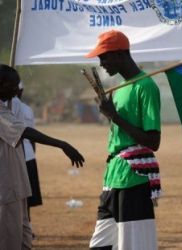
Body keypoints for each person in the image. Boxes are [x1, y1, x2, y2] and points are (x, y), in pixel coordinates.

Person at [85, 30, 161, 250]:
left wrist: (114, 116)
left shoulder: (146, 87)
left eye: (104, 57)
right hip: (113, 177)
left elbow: (153, 141)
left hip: (133, 177)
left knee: (133, 245)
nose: (102, 63)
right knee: (100, 245)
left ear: (120, 54)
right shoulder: (118, 89)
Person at [0, 64, 84, 249]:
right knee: (9, 242)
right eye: (11, 85)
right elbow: (25, 132)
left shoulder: (9, 106)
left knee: (24, 241)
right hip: (6, 189)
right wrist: (62, 144)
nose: (16, 90)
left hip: (17, 186)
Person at [11, 82, 43, 229]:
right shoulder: (21, 108)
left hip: (25, 156)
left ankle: (24, 227)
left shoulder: (20, 108)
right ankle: (25, 226)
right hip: (24, 156)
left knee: (24, 196)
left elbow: (30, 134)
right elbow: (30, 134)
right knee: (23, 197)